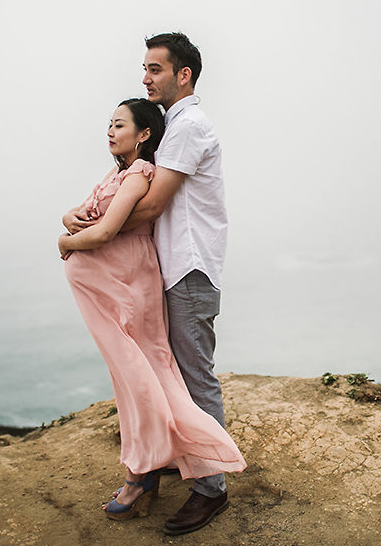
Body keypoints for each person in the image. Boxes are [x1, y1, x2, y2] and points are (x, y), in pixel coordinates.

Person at [59, 97, 245, 524]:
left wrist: (66, 242)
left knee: (158, 377)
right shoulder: (122, 169)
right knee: (134, 379)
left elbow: (115, 224)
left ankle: (209, 480)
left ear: (144, 134)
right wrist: (69, 217)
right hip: (126, 287)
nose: (109, 130)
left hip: (160, 279)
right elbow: (90, 211)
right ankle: (149, 467)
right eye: (109, 122)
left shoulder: (162, 152)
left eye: (119, 124)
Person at [117, 32, 235, 536]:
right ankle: (180, 457)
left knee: (194, 375)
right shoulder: (175, 127)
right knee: (173, 373)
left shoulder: (189, 126)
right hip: (174, 269)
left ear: (183, 75)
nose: (145, 78)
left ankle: (212, 489)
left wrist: (93, 229)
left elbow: (153, 204)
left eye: (155, 69)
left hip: (189, 270)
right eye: (144, 69)